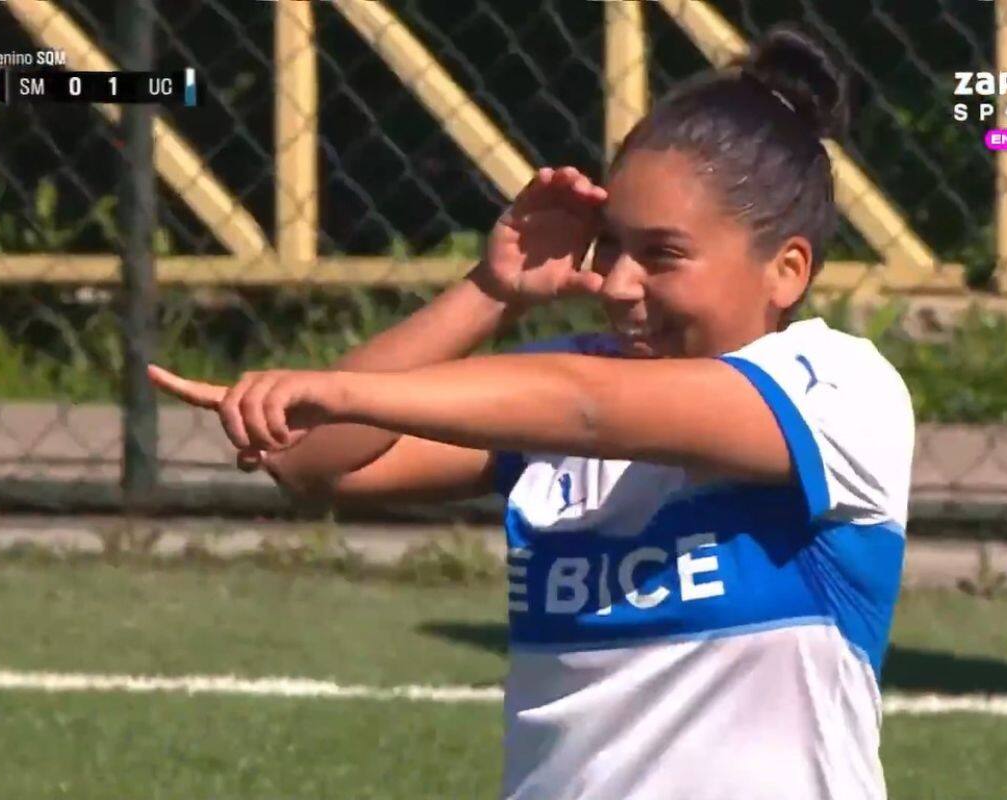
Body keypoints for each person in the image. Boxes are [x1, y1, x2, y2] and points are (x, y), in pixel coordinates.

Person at [150, 26, 914, 800]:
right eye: (611, 246)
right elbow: (310, 458)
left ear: (786, 271)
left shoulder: (839, 392)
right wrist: (492, 291)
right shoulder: (564, 400)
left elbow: (587, 407)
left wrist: (336, 387)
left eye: (661, 255)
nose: (617, 283)